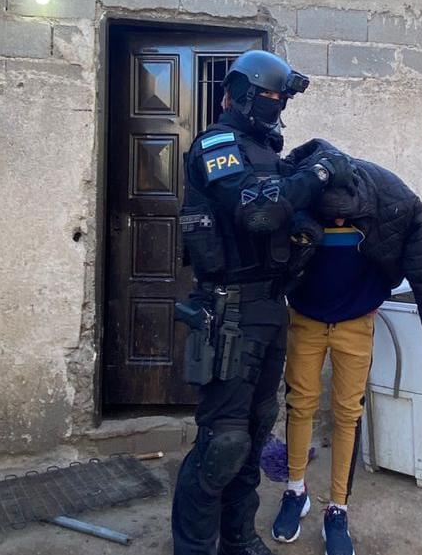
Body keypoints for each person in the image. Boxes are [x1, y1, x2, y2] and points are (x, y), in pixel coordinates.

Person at [171, 51, 356, 555]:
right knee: (223, 441)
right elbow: (257, 214)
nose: (277, 105)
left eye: (281, 98)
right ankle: (193, 547)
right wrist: (318, 175)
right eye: (270, 96)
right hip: (230, 310)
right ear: (239, 95)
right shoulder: (217, 145)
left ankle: (239, 539)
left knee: (253, 435)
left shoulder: (270, 155)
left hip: (271, 309)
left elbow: (287, 213)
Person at [270, 141, 422, 555]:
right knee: (300, 405)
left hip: (356, 325)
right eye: (332, 214)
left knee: (347, 413)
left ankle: (338, 508)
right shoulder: (300, 196)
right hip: (305, 320)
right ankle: (295, 490)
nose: (339, 219)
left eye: (345, 215)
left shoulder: (386, 203)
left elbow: (421, 268)